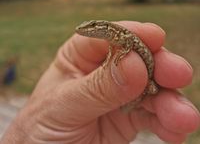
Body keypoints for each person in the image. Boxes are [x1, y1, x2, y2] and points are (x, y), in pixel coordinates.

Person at [1, 21, 200, 144]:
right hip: (139, 80)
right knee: (144, 91)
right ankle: (136, 102)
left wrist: (119, 54)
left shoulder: (119, 34)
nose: (86, 30)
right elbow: (120, 46)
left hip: (147, 79)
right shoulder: (113, 37)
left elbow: (128, 44)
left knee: (153, 88)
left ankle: (139, 100)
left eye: (91, 26)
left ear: (103, 27)